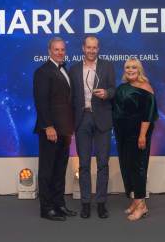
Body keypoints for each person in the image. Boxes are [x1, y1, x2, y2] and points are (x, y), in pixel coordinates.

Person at [69, 35, 116, 219]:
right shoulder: (73, 70)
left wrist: (106, 93)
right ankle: (86, 203)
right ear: (83, 48)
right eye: (88, 47)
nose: (91, 50)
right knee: (84, 164)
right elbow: (70, 98)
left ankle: (102, 203)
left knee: (103, 163)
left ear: (98, 49)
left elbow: (114, 90)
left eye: (94, 47)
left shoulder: (107, 66)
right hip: (82, 120)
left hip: (103, 119)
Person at [33, 37, 77, 221]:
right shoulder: (43, 71)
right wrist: (48, 126)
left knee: (60, 169)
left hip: (65, 130)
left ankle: (59, 204)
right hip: (50, 130)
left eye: (62, 49)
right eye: (56, 49)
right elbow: (41, 102)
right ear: (49, 50)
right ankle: (47, 208)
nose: (60, 52)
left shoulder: (64, 69)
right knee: (47, 170)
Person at [113, 58, 158, 221]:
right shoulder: (122, 87)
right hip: (122, 134)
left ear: (139, 70)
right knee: (128, 166)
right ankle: (135, 200)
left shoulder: (146, 88)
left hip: (138, 134)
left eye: (133, 67)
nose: (130, 70)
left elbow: (149, 115)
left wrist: (142, 135)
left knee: (138, 167)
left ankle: (142, 206)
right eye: (127, 67)